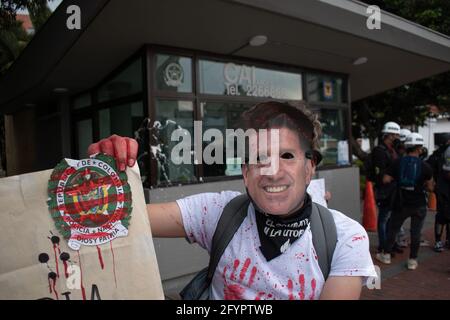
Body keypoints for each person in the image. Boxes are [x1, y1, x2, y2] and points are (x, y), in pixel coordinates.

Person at [88, 101, 376, 300]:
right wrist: (102, 175)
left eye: (287, 156)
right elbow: (123, 216)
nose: (272, 172)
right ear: (245, 172)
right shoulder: (218, 212)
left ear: (310, 166)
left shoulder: (345, 238)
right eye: (259, 158)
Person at [376, 133, 434, 270]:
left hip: (401, 203)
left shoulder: (397, 162)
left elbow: (385, 179)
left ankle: (386, 255)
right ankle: (412, 260)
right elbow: (431, 187)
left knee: (393, 229)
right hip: (419, 204)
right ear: (419, 149)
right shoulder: (425, 166)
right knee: (416, 232)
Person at [372, 121, 401, 254]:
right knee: (383, 218)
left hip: (393, 189)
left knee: (391, 218)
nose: (397, 138)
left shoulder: (392, 150)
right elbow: (382, 175)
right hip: (384, 190)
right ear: (388, 135)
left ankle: (390, 243)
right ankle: (383, 245)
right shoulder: (380, 151)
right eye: (395, 135)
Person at [434, 145, 450, 252]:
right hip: (444, 188)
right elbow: (447, 170)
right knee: (441, 216)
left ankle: (448, 239)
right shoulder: (448, 150)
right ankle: (438, 240)